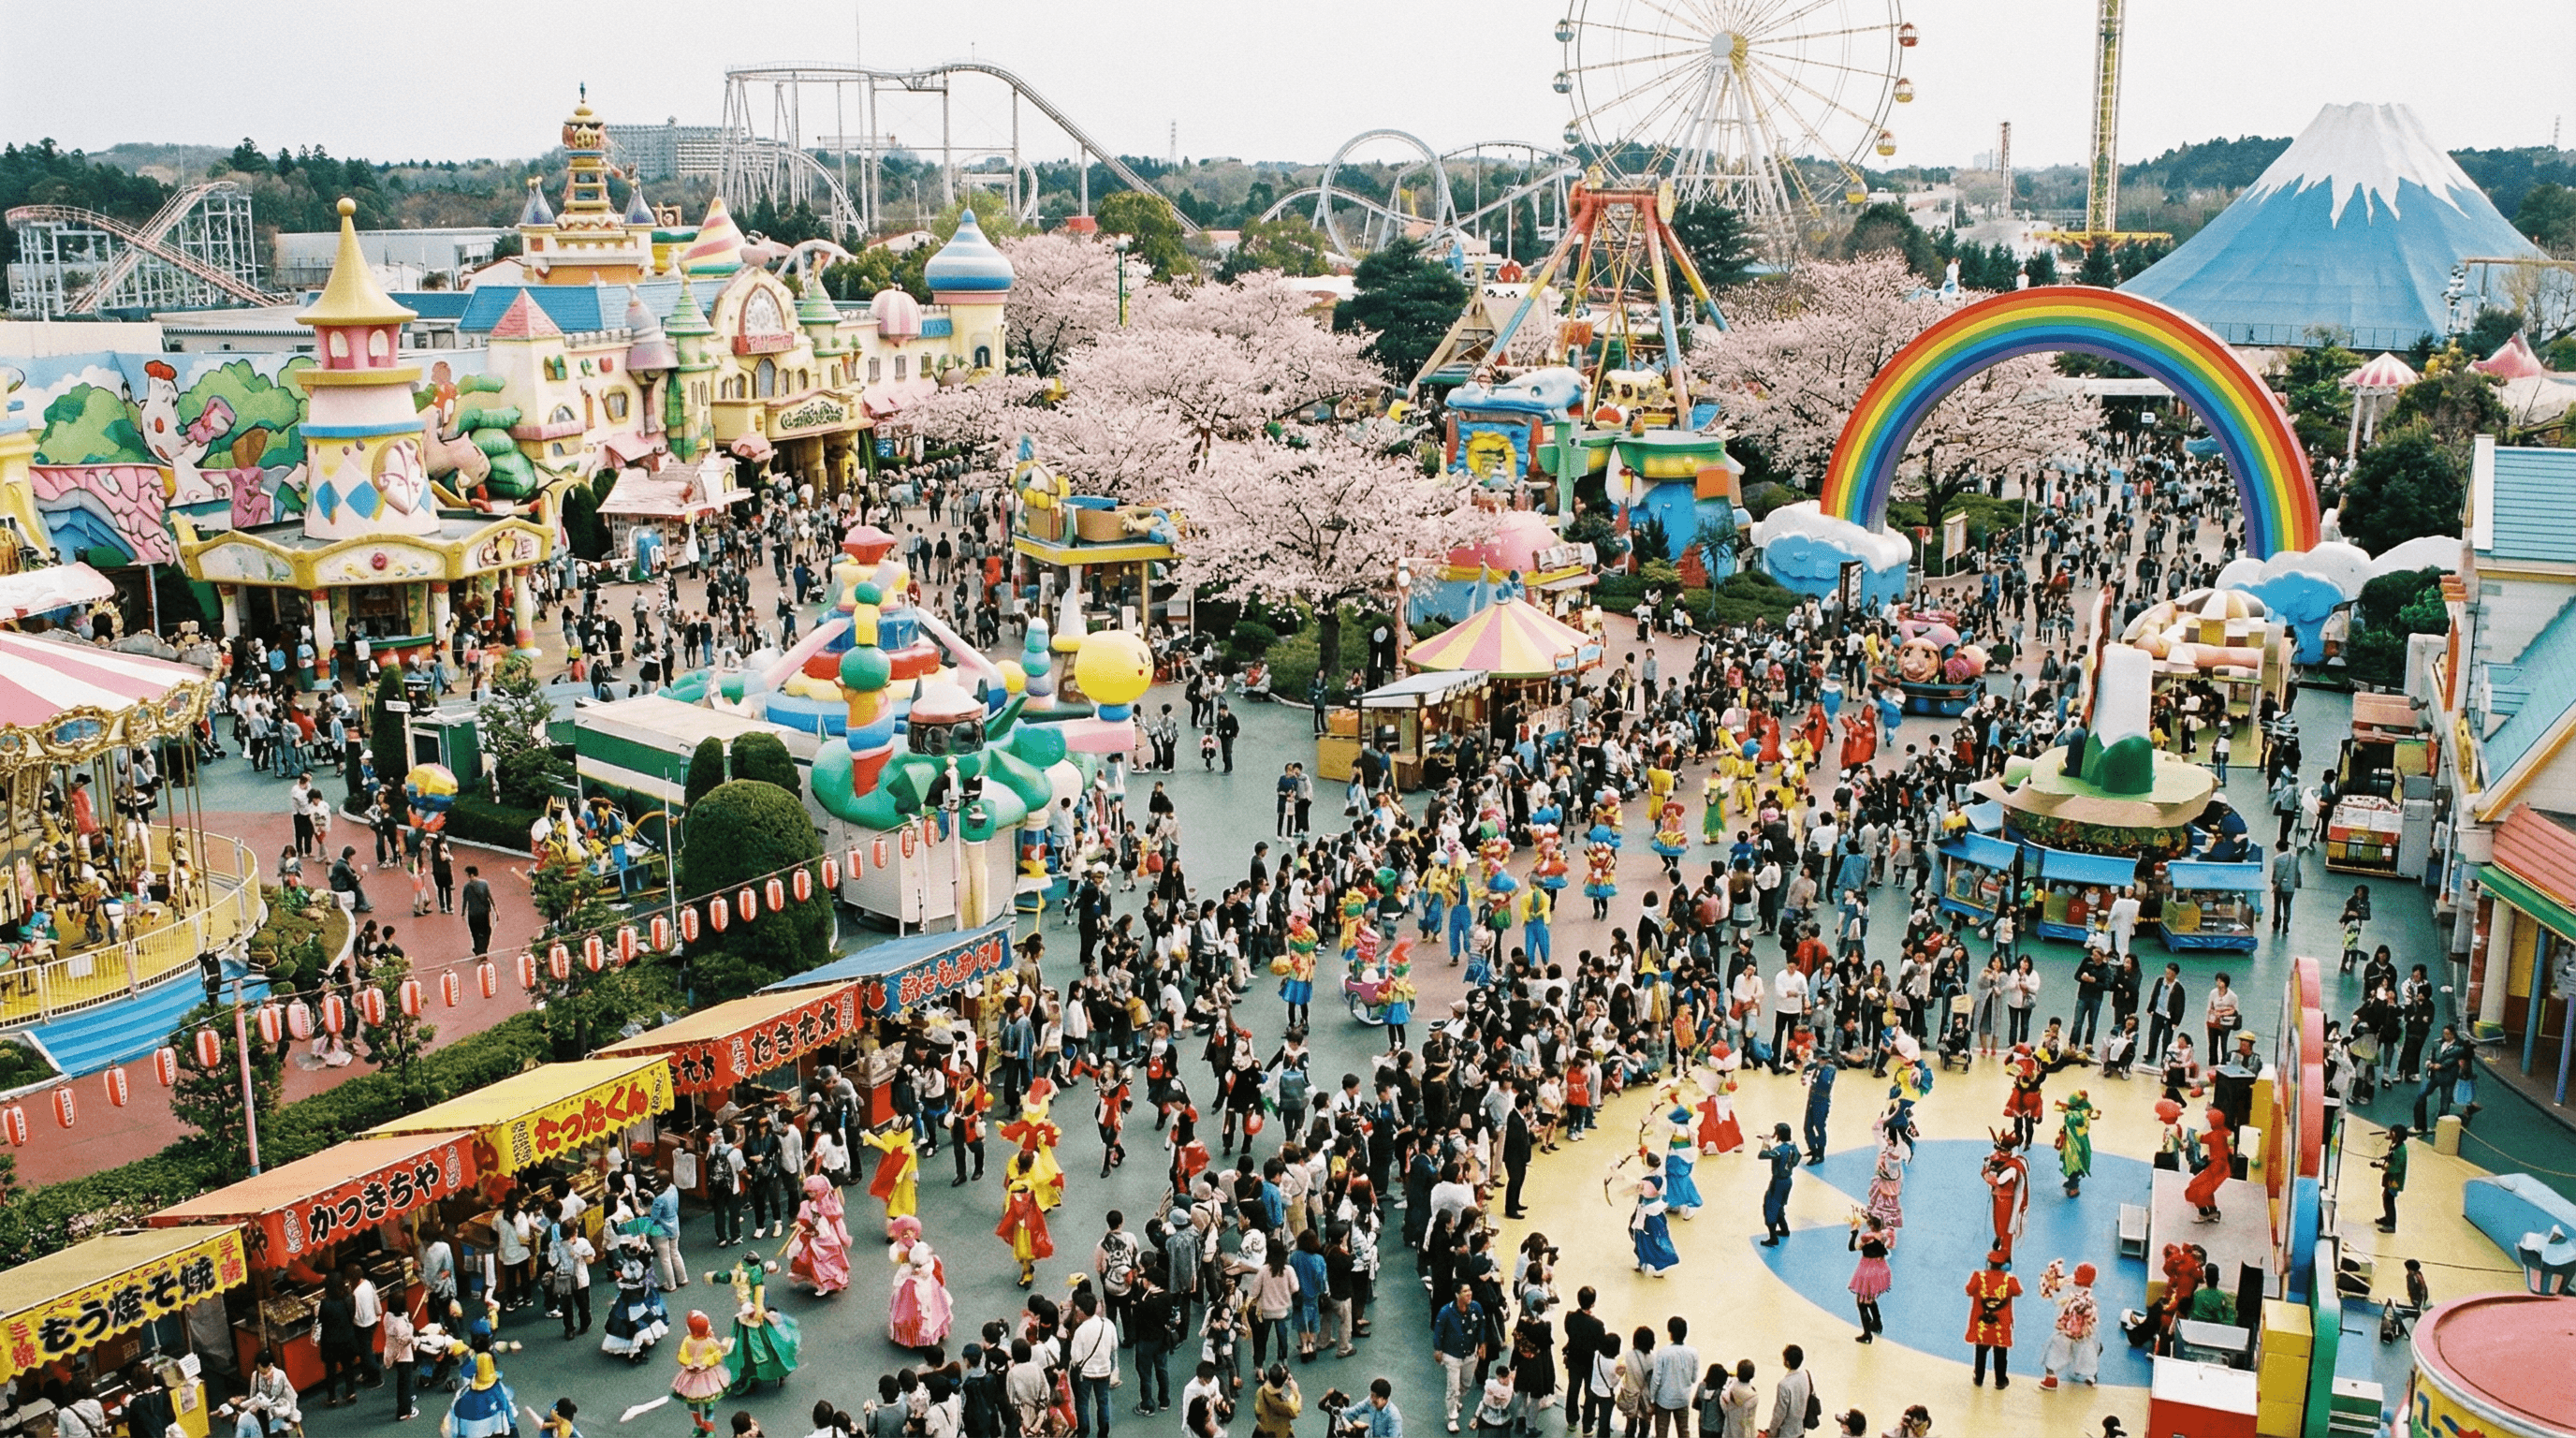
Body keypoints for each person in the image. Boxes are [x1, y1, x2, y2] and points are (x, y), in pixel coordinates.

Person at [1963, 1250, 2021, 1388]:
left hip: (1982, 1320)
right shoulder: (2010, 1280)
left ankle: (1978, 1378)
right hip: (2001, 1322)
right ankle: (2000, 1380)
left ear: (1989, 1263)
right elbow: (2018, 1291)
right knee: (2000, 1352)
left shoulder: (1978, 1276)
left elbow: (1969, 1290)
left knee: (1981, 1350)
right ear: (2003, 1265)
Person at [670, 1313, 734, 1436]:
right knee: (707, 1402)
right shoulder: (707, 1341)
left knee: (694, 1402)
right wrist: (701, 1363)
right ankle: (706, 1426)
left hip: (692, 1377)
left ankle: (704, 1426)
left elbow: (683, 1355)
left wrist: (691, 1364)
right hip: (707, 1377)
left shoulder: (689, 1340)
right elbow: (719, 1353)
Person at [1757, 1125, 1798, 1247]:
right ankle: (1784, 1229)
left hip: (1778, 1182)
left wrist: (1765, 1142)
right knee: (1780, 1205)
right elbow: (1794, 1160)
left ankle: (1773, 1237)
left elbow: (1762, 1155)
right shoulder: (1793, 1146)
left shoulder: (1780, 1150)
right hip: (1788, 1180)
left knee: (1770, 1206)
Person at [1758, 1346, 1810, 1438]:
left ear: (1787, 1362)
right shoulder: (1805, 1376)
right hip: (1799, 1431)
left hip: (1786, 1434)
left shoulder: (1784, 1385)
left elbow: (1779, 1414)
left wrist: (1771, 1433)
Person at [2375, 1124, 2410, 1233]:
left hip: (2394, 1180)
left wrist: (2381, 1166)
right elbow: (2392, 1157)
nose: (2390, 1135)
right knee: (2385, 1197)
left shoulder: (2401, 1150)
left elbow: (2396, 1168)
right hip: (2390, 1178)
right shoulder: (2396, 1146)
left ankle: (2391, 1224)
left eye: (2392, 1133)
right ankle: (2387, 1218)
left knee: (2389, 1200)